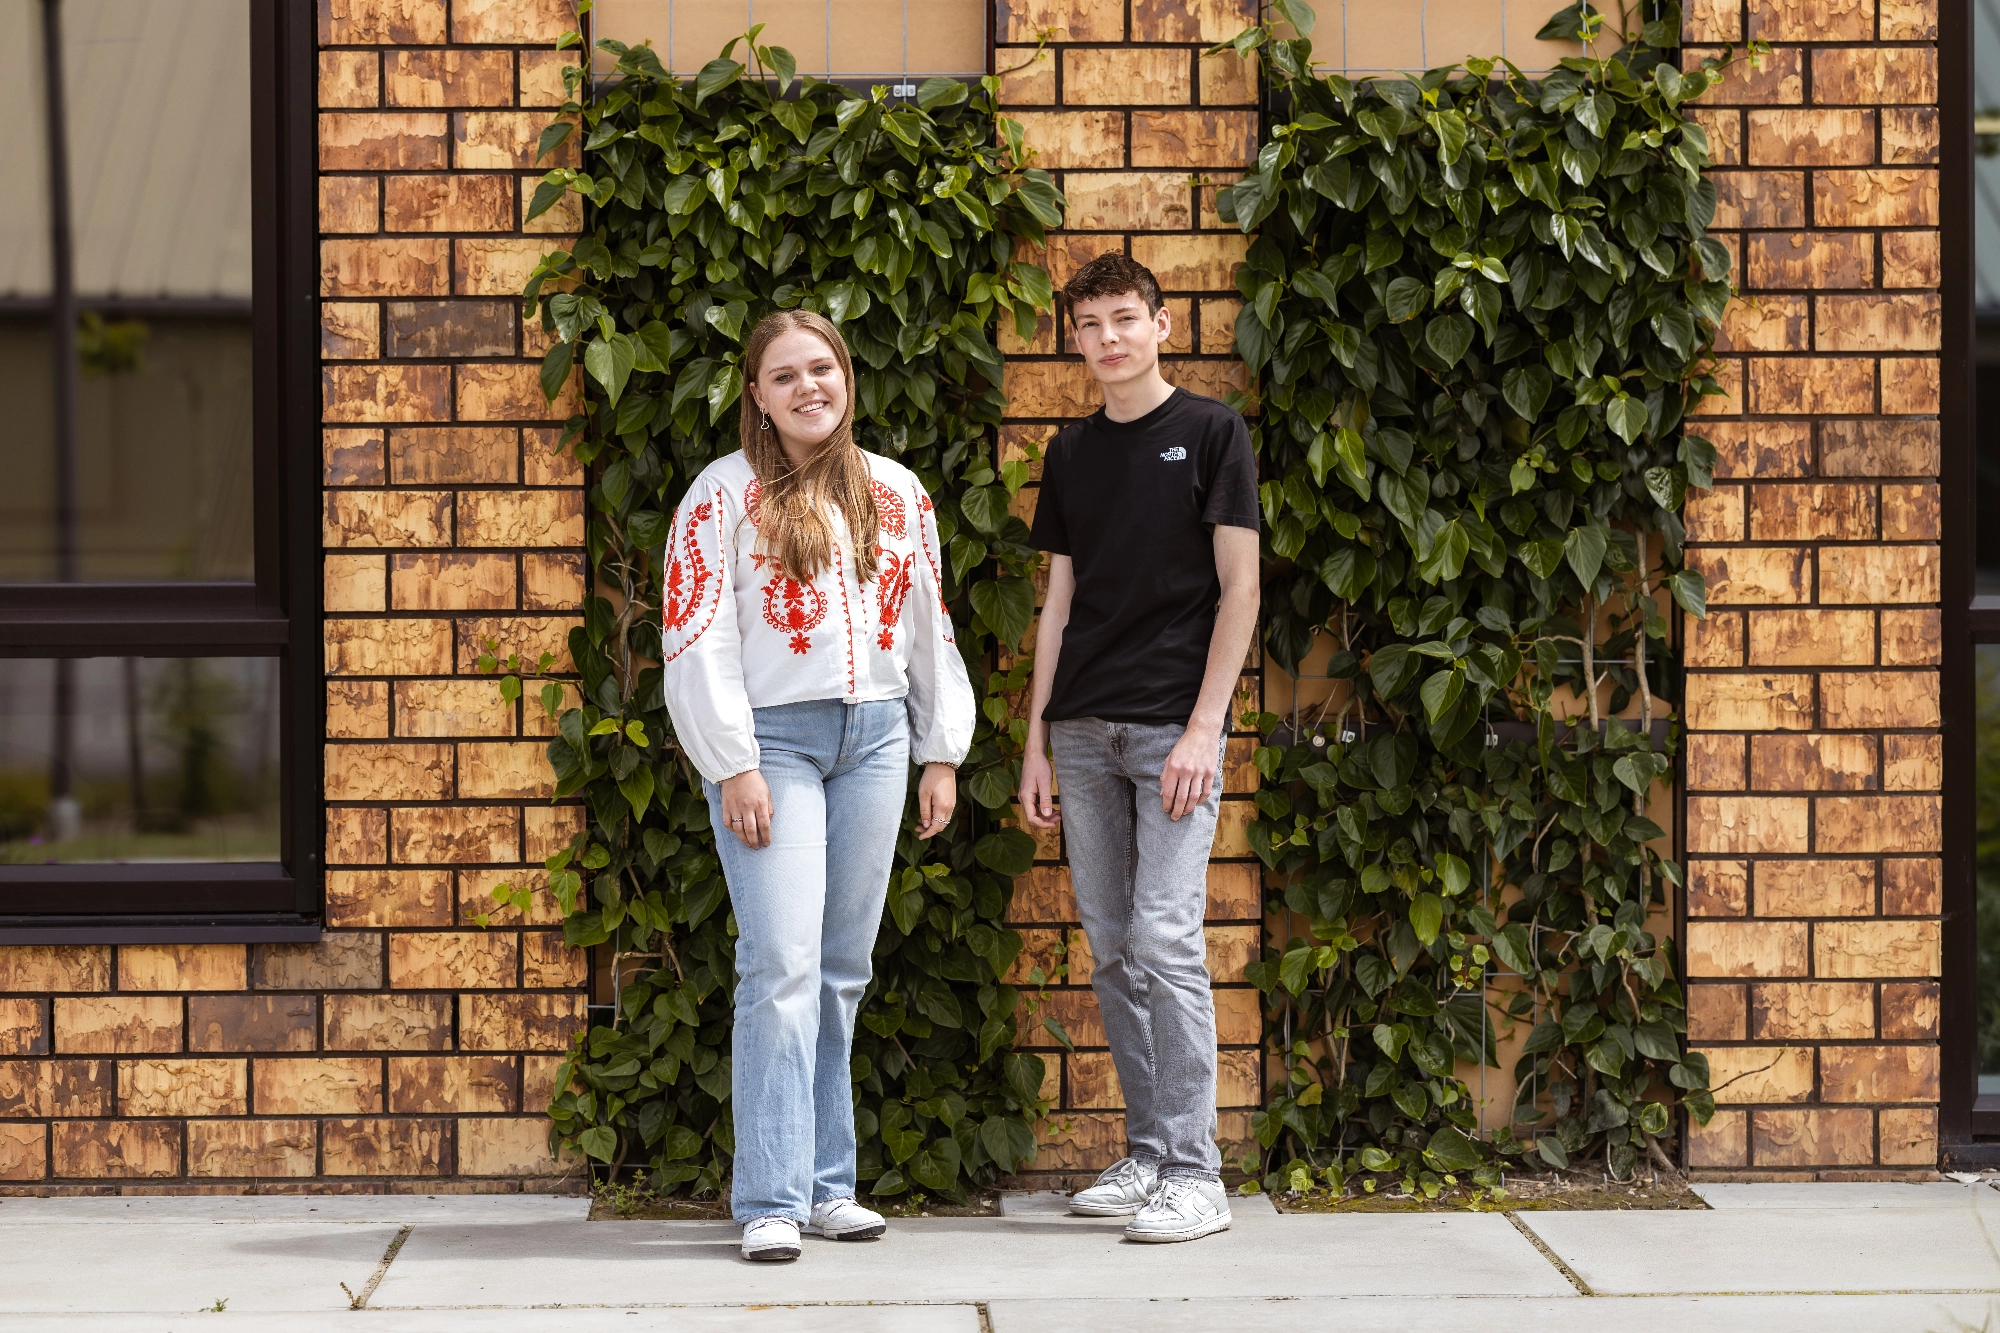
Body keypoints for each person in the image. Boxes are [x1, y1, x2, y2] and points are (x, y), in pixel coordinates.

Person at [662, 309, 974, 1263]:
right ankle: (770, 1196)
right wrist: (734, 760)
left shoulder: (897, 490)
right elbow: (697, 632)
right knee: (781, 966)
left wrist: (940, 748)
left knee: (840, 970)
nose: (808, 387)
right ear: (757, 395)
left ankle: (830, 1185)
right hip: (774, 745)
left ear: (847, 376)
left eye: (822, 368)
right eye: (785, 375)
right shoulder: (722, 494)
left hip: (876, 738)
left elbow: (926, 620)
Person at [1017, 253, 1261, 1244]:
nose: (1107, 338)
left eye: (1124, 318)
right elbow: (1058, 604)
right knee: (1115, 948)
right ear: (1074, 338)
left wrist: (1205, 727)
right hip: (1081, 728)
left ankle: (1198, 1174)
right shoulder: (1071, 451)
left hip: (1171, 728)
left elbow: (1240, 590)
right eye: (1089, 324)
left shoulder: (1211, 432)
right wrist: (1035, 739)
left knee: (1164, 939)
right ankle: (1152, 1154)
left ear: (1161, 324)